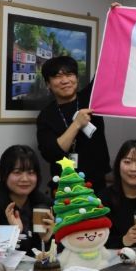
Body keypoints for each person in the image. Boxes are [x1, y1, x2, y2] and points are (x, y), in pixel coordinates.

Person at [37, 55, 111, 193]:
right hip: (64, 189)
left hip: (97, 185)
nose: (65, 80)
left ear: (77, 78)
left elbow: (108, 68)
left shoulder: (92, 98)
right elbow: (51, 153)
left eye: (69, 74)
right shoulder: (46, 116)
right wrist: (77, 124)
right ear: (48, 84)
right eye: (57, 76)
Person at [0, 145, 54, 254]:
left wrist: (46, 240)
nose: (25, 179)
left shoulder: (43, 204)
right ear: (4, 174)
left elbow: (52, 255)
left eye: (30, 173)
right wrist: (14, 235)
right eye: (17, 172)